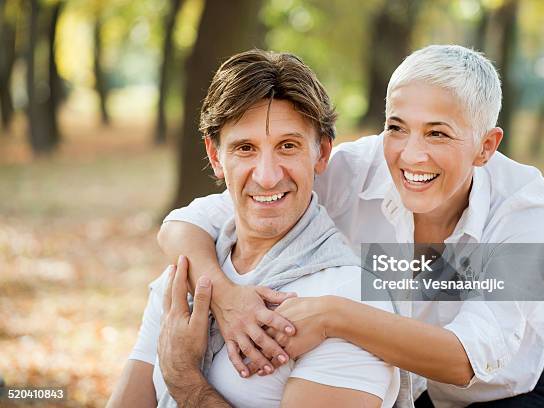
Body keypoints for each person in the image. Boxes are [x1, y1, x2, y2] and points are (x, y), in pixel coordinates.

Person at [158, 45, 544, 407]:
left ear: (486, 146)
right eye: (397, 127)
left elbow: (467, 358)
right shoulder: (354, 170)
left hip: (508, 391)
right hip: (409, 389)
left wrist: (334, 315)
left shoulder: (524, 209)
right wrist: (225, 295)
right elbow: (186, 222)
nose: (412, 155)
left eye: (438, 134)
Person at [107, 49, 400, 408]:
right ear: (216, 156)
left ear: (322, 153)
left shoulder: (346, 294)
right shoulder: (192, 269)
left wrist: (185, 381)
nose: (266, 176)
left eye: (287, 146)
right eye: (245, 148)